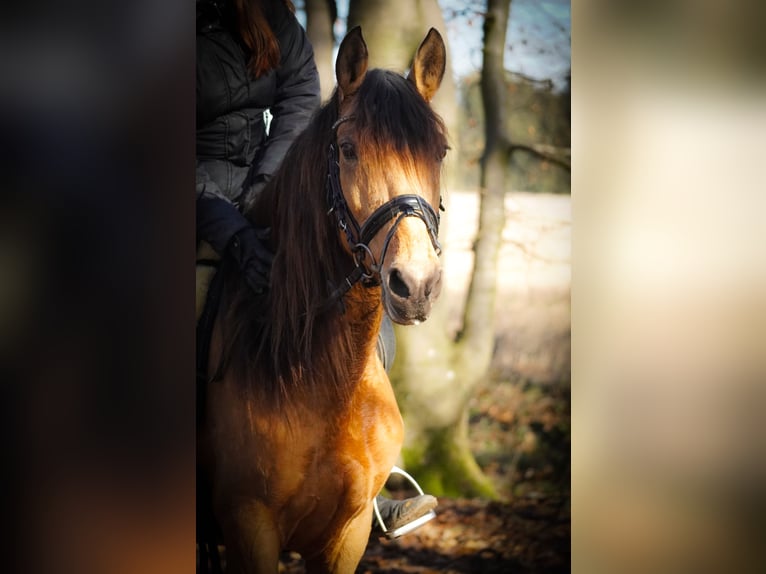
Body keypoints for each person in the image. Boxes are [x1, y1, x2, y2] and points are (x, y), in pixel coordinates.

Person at [195, 0, 436, 536]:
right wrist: (228, 228)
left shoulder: (271, 17)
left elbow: (302, 95)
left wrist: (268, 189)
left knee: (359, 305)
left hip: (271, 189)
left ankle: (365, 486)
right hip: (184, 199)